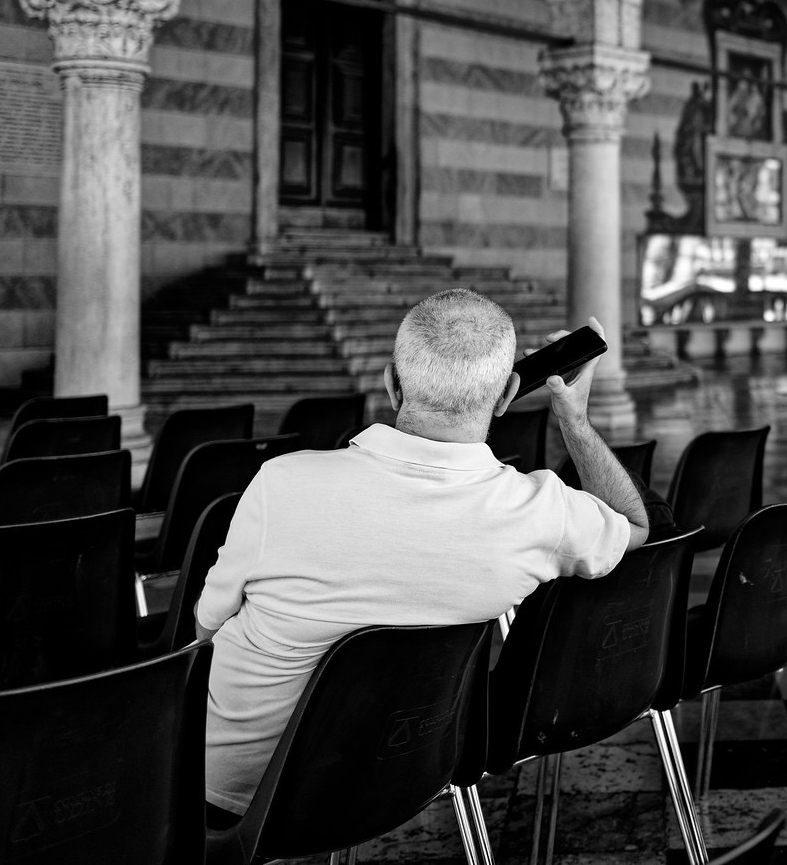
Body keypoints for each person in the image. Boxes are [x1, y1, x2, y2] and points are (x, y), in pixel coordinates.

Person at [193, 291, 650, 819]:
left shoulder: (282, 482)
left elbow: (205, 630)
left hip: (236, 798)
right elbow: (637, 525)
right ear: (505, 397)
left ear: (392, 383)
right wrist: (574, 418)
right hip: (410, 778)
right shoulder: (540, 513)